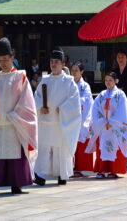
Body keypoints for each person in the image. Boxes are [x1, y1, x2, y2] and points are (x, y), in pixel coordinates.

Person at [0, 37, 38, 195]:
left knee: (15, 155)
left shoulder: (20, 77)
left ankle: (17, 183)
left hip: (14, 123)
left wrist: (14, 115)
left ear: (12, 58)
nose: (3, 62)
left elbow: (26, 102)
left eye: (5, 59)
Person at [33, 47, 81, 186]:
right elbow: (37, 96)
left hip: (61, 121)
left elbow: (74, 100)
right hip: (46, 120)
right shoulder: (45, 80)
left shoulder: (69, 81)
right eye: (51, 62)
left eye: (56, 62)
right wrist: (40, 106)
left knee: (60, 148)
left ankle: (62, 174)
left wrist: (64, 109)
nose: (53, 64)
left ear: (63, 64)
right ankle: (41, 174)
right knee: (45, 148)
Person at [86, 72, 127, 178]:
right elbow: (95, 109)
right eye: (106, 80)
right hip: (103, 126)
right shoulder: (101, 95)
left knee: (114, 147)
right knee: (102, 147)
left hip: (114, 127)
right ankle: (101, 170)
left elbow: (122, 110)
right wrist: (102, 121)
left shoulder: (120, 94)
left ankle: (113, 170)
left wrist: (112, 122)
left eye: (110, 80)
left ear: (115, 81)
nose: (108, 82)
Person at [70, 62, 94, 177]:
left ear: (81, 72)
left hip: (82, 117)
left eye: (76, 70)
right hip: (70, 118)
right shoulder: (69, 85)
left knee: (82, 140)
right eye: (72, 70)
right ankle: (72, 167)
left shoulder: (85, 86)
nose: (74, 72)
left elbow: (87, 101)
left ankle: (84, 167)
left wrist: (73, 102)